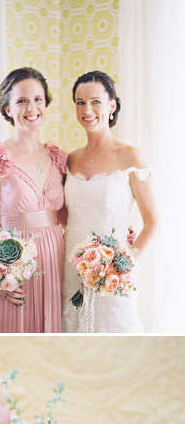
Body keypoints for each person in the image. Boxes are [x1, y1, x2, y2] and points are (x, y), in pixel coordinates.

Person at [0, 69, 66, 334]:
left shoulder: (58, 158)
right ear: (7, 108)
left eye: (38, 99)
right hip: (14, 272)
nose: (32, 108)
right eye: (22, 101)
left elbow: (67, 215)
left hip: (54, 269)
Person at [62, 71, 159, 333]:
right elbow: (65, 215)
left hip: (115, 275)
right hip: (72, 270)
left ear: (111, 105)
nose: (87, 110)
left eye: (95, 101)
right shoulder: (70, 159)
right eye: (80, 102)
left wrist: (124, 263)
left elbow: (153, 221)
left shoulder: (131, 157)